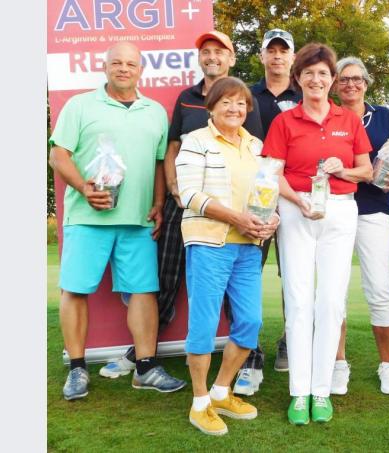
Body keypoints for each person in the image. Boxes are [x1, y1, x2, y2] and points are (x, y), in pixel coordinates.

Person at [98, 30, 263, 379]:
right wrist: (174, 188)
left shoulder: (242, 99)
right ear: (200, 58)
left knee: (238, 289)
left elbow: (254, 157)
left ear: (231, 57)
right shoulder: (187, 97)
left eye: (220, 51)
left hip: (234, 215)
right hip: (183, 203)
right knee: (167, 278)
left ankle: (249, 358)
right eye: (206, 52)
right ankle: (144, 353)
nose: (212, 57)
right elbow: (172, 148)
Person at [49, 42, 186, 400]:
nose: (123, 69)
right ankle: (77, 369)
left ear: (141, 69)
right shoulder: (80, 105)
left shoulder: (155, 111)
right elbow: (58, 155)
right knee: (75, 290)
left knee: (143, 292)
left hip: (138, 221)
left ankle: (145, 367)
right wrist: (83, 186)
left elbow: (159, 163)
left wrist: (158, 203)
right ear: (104, 66)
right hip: (86, 217)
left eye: (130, 64)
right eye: (116, 63)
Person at [263, 43, 373, 425]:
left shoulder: (349, 120)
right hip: (296, 209)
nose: (316, 79)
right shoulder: (285, 121)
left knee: (330, 302)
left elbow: (367, 171)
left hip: (340, 210)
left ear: (332, 79)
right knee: (297, 301)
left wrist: (341, 169)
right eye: (308, 73)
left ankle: (322, 392)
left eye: (323, 73)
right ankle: (299, 394)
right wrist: (297, 200)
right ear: (298, 79)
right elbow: (272, 174)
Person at [176, 77, 279, 435]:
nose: (234, 108)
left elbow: (267, 194)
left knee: (249, 322)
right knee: (203, 326)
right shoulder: (195, 142)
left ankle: (221, 390)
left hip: (249, 246)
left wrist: (271, 219)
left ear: (248, 108)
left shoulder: (256, 146)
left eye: (240, 103)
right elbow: (188, 194)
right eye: (225, 102)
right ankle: (200, 402)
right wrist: (237, 218)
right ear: (212, 107)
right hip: (209, 243)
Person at [234, 28, 303, 395]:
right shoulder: (245, 95)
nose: (277, 57)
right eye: (271, 51)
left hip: (293, 198)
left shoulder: (305, 94)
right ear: (261, 56)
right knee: (248, 275)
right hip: (254, 199)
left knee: (293, 276)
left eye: (284, 51)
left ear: (293, 58)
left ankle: (290, 342)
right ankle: (250, 352)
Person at [330, 56, 389, 396]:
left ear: (366, 82)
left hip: (375, 209)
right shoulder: (329, 117)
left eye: (357, 79)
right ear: (335, 84)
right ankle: (339, 363)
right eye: (344, 79)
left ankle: (387, 364)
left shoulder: (385, 116)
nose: (351, 85)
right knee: (336, 290)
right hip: (337, 206)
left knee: (379, 288)